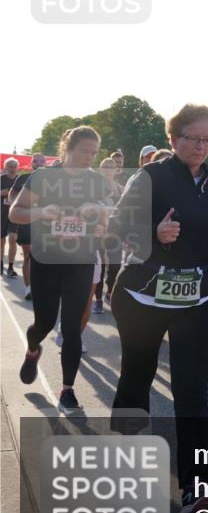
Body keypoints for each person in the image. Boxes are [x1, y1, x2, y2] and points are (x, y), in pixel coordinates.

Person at [107, 103, 208, 513]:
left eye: (207, 139)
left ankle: (197, 485)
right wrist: (153, 232)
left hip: (194, 301)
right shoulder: (150, 177)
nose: (200, 146)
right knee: (137, 379)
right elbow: (117, 228)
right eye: (193, 138)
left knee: (191, 391)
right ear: (173, 139)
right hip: (142, 297)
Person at [13, 127, 115, 416]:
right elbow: (15, 213)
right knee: (44, 323)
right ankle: (33, 349)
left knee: (72, 328)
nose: (89, 158)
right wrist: (41, 213)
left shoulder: (96, 181)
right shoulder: (44, 177)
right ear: (67, 149)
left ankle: (67, 390)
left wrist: (99, 219)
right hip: (47, 260)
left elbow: (106, 218)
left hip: (81, 260)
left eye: (94, 153)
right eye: (84, 151)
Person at [10, 153, 48, 298]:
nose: (38, 163)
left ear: (45, 163)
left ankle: (42, 286)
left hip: (44, 223)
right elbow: (12, 194)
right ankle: (28, 288)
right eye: (35, 161)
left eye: (41, 161)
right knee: (29, 255)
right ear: (31, 163)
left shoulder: (51, 179)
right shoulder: (23, 178)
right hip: (28, 222)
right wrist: (17, 207)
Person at [93, 157, 125, 314]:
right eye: (104, 166)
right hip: (98, 231)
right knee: (99, 267)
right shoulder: (94, 188)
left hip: (115, 233)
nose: (107, 169)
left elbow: (125, 211)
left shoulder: (121, 189)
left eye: (111, 167)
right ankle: (98, 300)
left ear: (116, 170)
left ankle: (109, 292)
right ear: (100, 169)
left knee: (115, 267)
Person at [2, 157, 18, 277]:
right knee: (1, 241)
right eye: (10, 167)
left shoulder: (20, 180)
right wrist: (6, 192)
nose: (12, 169)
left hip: (15, 213)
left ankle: (11, 267)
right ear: (5, 167)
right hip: (2, 212)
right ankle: (1, 263)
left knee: (12, 239)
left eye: (14, 167)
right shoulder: (1, 179)